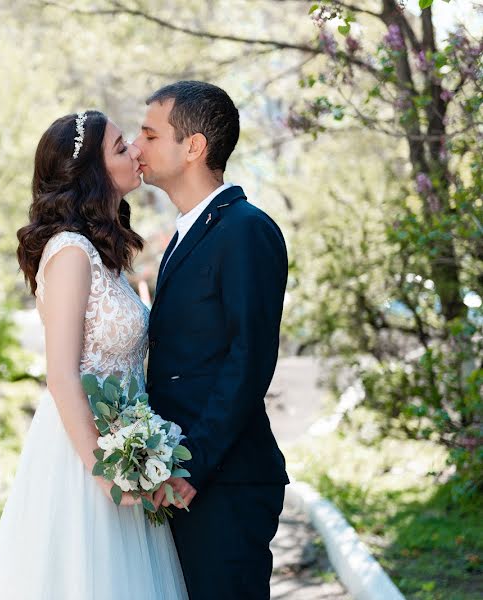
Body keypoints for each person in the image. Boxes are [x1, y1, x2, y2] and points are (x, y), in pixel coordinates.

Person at [0, 110, 187, 599]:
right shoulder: (70, 251)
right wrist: (106, 475)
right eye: (119, 148)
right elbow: (63, 376)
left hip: (125, 446)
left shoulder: (102, 253)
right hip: (84, 458)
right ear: (91, 173)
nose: (135, 149)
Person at [133, 80, 290, 600]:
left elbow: (249, 357)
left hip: (224, 483)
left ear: (194, 147)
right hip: (184, 482)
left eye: (150, 134)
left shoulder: (245, 229)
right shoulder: (185, 234)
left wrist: (192, 464)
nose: (138, 147)